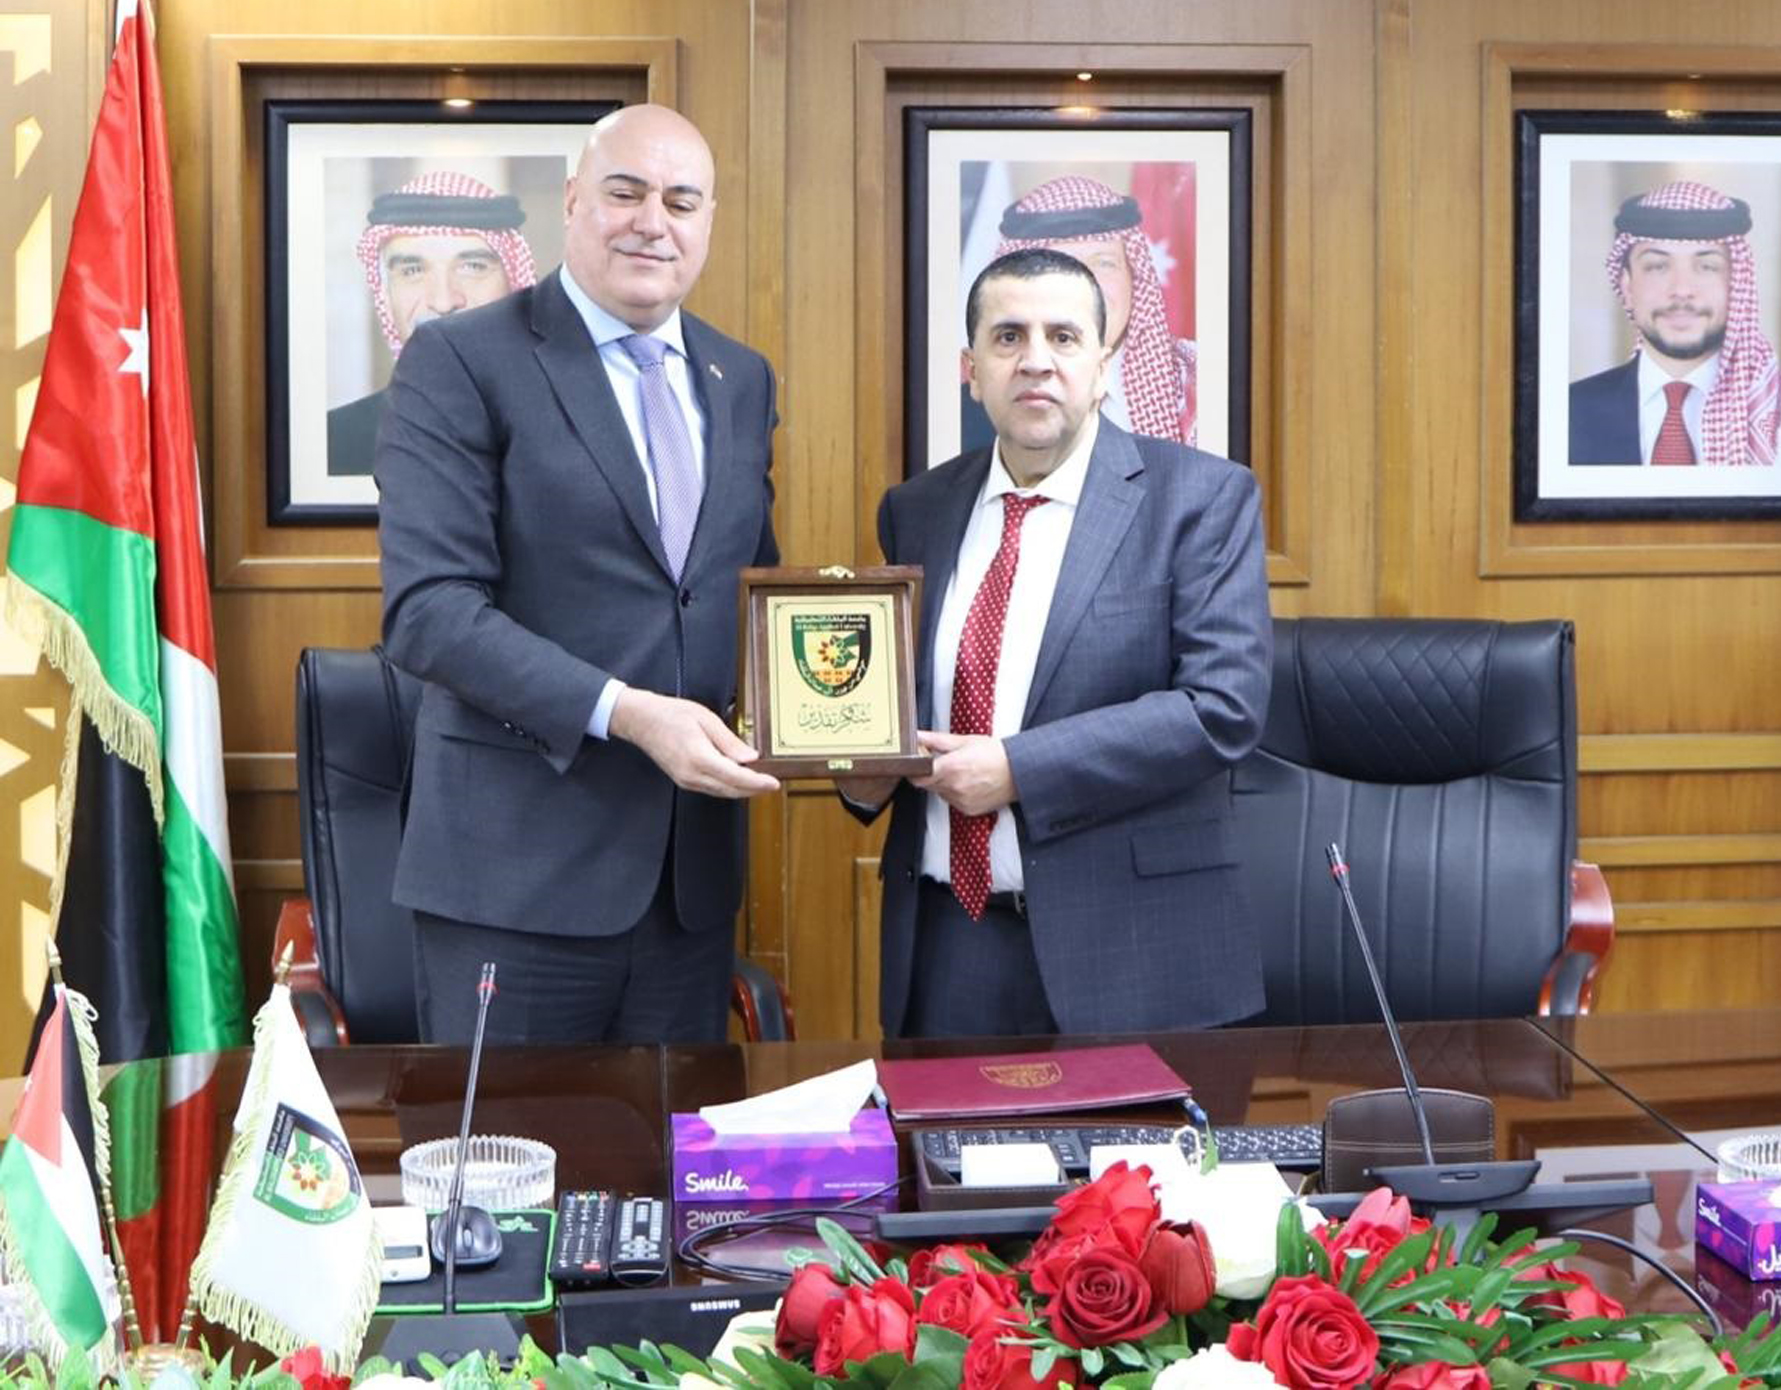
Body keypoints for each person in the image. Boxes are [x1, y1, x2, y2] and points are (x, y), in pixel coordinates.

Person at [375, 104, 781, 1045]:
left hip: (687, 889)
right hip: (514, 886)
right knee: (507, 1147)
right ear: (570, 202)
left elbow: (746, 591)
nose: (653, 223)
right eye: (625, 192)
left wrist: (846, 731)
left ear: (709, 221)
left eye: (681, 201)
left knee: (672, 1145)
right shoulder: (461, 358)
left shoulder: (742, 377)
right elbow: (430, 610)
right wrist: (628, 712)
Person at [843, 247, 1270, 1037]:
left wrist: (1017, 769)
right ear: (972, 370)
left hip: (1135, 952)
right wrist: (860, 769)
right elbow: (895, 698)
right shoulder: (916, 510)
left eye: (1063, 337)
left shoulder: (1200, 499)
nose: (1035, 360)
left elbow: (1222, 709)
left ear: (1103, 366)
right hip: (949, 944)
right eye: (1008, 337)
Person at [1568, 179, 1781, 466]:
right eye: (1657, 266)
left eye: (1707, 267)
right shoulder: (1566, 413)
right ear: (1627, 286)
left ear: (1737, 285)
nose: (1682, 289)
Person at [332, 171, 537, 475]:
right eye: (413, 270)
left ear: (515, 284)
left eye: (473, 266)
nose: (443, 302)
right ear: (386, 294)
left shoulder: (570, 430)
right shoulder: (338, 439)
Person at [994, 175, 1199, 445]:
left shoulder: (1199, 385)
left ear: (1134, 276)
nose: (1087, 285)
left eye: (1104, 263)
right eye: (1059, 265)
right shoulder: (978, 399)